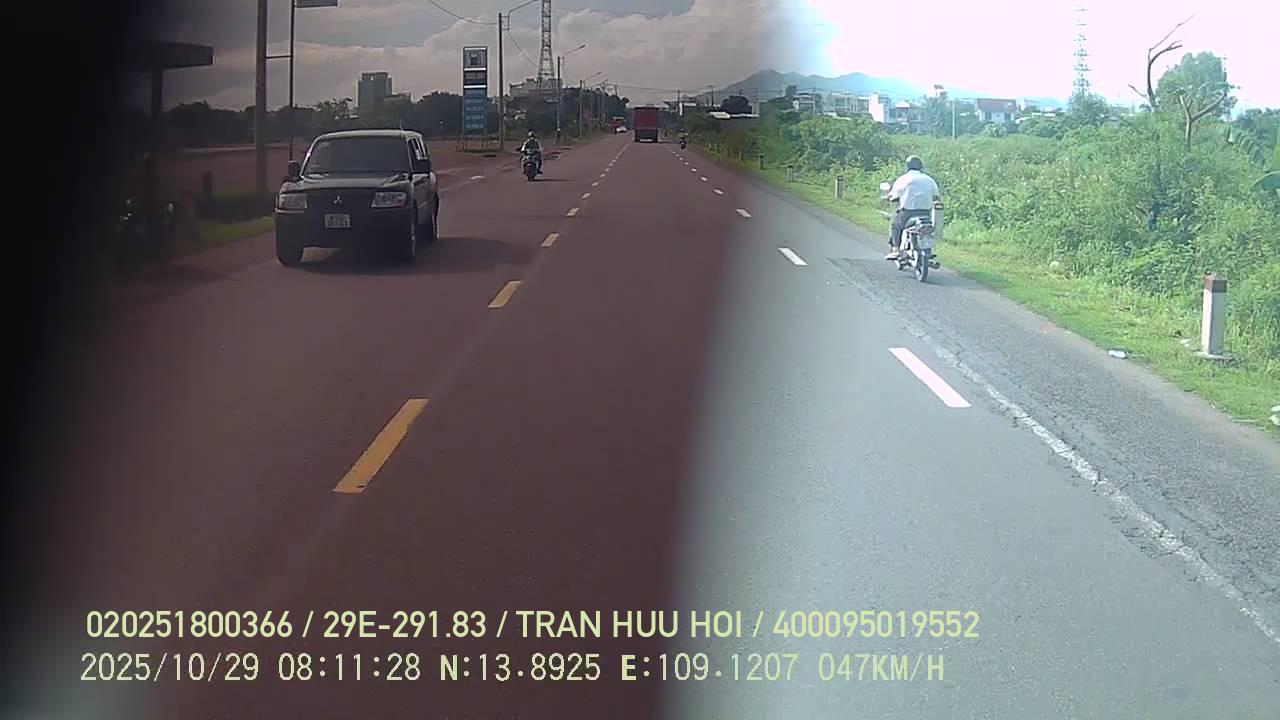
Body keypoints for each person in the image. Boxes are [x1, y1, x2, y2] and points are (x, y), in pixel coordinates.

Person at [885, 155, 939, 260]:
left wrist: (889, 197)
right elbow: (936, 196)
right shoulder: (929, 180)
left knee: (896, 226)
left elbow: (893, 195)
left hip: (907, 212)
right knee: (927, 229)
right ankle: (928, 250)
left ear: (907, 166)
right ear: (921, 166)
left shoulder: (903, 179)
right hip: (925, 213)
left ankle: (896, 250)